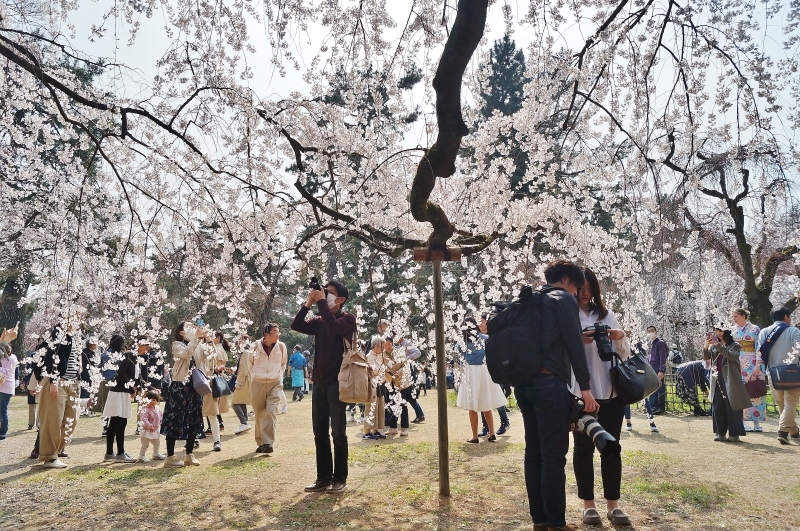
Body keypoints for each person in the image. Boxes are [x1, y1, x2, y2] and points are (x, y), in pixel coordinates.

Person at [510, 259, 598, 531]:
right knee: (552, 456)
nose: (578, 294)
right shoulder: (563, 299)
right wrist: (586, 389)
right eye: (577, 288)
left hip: (523, 385)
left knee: (533, 453)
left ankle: (540, 520)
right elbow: (573, 346)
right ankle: (557, 524)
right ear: (567, 281)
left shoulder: (532, 300)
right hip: (549, 385)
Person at [569, 267, 631, 527]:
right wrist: (576, 341)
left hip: (610, 391)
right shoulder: (567, 315)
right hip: (580, 392)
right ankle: (588, 505)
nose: (585, 293)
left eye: (589, 288)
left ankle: (613, 505)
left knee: (612, 447)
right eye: (580, 288)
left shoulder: (606, 315)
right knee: (583, 449)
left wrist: (619, 337)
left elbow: (623, 355)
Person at [291, 279, 355, 493]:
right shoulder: (319, 319)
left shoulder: (348, 319)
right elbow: (296, 325)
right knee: (319, 432)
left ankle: (340, 478)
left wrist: (319, 303)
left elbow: (334, 327)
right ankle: (323, 477)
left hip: (339, 383)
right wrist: (309, 302)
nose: (324, 295)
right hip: (319, 382)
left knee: (338, 433)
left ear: (341, 299)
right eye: (323, 292)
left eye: (329, 293)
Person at [36, 317, 84, 468]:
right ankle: (49, 457)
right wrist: (53, 381)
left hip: (73, 382)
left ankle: (56, 450)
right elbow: (52, 356)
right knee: (53, 420)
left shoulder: (76, 336)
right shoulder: (58, 333)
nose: (77, 319)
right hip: (59, 382)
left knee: (72, 419)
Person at [160, 321, 207, 467]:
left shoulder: (197, 344)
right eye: (189, 327)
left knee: (194, 419)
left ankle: (189, 454)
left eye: (193, 327)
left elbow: (207, 357)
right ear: (181, 333)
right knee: (175, 419)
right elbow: (186, 354)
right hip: (180, 386)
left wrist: (207, 340)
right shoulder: (177, 345)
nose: (193, 329)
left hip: (194, 386)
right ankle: (170, 456)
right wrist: (195, 340)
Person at [457, 316, 507, 444]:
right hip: (485, 371)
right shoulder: (485, 339)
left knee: (472, 407)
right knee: (486, 404)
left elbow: (458, 355)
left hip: (471, 371)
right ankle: (492, 433)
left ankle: (475, 436)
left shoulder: (462, 341)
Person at [757, 306, 800, 445]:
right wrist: (789, 360)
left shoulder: (764, 332)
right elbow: (798, 349)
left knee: (782, 404)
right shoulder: (793, 331)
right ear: (786, 317)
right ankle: (782, 431)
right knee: (790, 403)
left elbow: (760, 353)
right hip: (792, 372)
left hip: (773, 372)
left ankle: (793, 431)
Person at [706, 327, 750, 442]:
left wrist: (718, 345)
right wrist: (706, 345)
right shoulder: (715, 345)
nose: (719, 334)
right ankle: (720, 432)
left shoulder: (735, 345)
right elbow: (706, 357)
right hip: (716, 377)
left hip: (730, 378)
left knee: (732, 405)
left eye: (721, 331)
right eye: (716, 331)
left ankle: (734, 434)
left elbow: (731, 356)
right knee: (718, 405)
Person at [250, 323, 287, 454]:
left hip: (275, 383)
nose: (278, 335)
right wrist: (255, 376)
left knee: (271, 412)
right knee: (259, 414)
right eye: (275, 332)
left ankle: (268, 443)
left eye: (278, 332)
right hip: (257, 383)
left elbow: (283, 363)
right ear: (266, 334)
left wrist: (278, 376)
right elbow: (249, 364)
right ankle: (260, 442)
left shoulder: (281, 347)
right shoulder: (254, 346)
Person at [102, 335, 140, 462]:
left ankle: (109, 453)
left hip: (115, 390)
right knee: (120, 422)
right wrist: (131, 389)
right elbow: (121, 372)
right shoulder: (128, 354)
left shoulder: (116, 354)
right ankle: (120, 453)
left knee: (114, 422)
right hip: (120, 391)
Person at [731, 308, 764, 432]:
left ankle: (756, 422)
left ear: (743, 316)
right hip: (737, 362)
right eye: (733, 317)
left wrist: (758, 365)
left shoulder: (755, 329)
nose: (734, 319)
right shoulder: (733, 330)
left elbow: (759, 347)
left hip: (752, 361)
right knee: (741, 391)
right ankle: (742, 421)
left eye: (736, 316)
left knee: (754, 390)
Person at [203, 331, 230, 452]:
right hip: (210, 378)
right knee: (211, 410)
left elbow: (218, 362)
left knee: (212, 411)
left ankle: (216, 439)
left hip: (212, 379)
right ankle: (215, 435)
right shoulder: (216, 348)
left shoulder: (216, 348)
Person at [384, 336, 411, 436]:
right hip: (389, 381)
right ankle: (393, 427)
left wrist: (398, 373)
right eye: (385, 344)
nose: (387, 346)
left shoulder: (399, 353)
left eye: (389, 344)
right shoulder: (382, 355)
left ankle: (404, 427)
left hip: (399, 382)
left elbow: (405, 366)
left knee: (402, 404)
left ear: (392, 344)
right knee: (390, 404)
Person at [362, 335, 388, 439]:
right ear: (376, 346)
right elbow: (374, 371)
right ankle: (367, 431)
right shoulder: (369, 356)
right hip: (372, 385)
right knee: (370, 408)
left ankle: (377, 429)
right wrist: (382, 364)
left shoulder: (380, 356)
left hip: (380, 384)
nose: (383, 349)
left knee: (380, 407)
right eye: (382, 346)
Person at [0, 325, 19, 441]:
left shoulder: (12, 358)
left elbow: (7, 372)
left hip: (6, 387)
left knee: (3, 409)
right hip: (2, 386)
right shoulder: (3, 358)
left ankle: (3, 433)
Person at [231, 335, 253, 435]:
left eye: (242, 339)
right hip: (246, 380)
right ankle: (245, 422)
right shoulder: (246, 352)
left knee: (235, 403)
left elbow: (244, 370)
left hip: (244, 381)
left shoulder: (245, 352)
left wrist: (238, 382)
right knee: (241, 402)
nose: (239, 341)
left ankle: (244, 422)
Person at [137, 389, 165, 462]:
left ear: (157, 401)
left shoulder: (157, 408)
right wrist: (149, 426)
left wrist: (161, 422)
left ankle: (156, 454)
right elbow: (144, 419)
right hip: (147, 430)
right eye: (150, 400)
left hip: (155, 429)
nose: (152, 402)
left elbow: (161, 416)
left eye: (154, 400)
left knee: (157, 442)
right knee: (145, 444)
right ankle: (141, 456)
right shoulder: (145, 409)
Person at [645, 325, 668, 414]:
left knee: (659, 387)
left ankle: (659, 407)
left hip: (657, 367)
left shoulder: (660, 343)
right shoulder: (651, 343)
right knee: (653, 387)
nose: (650, 333)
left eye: (652, 331)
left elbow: (663, 357)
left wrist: (661, 370)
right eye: (649, 331)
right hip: (651, 367)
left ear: (656, 332)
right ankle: (653, 406)